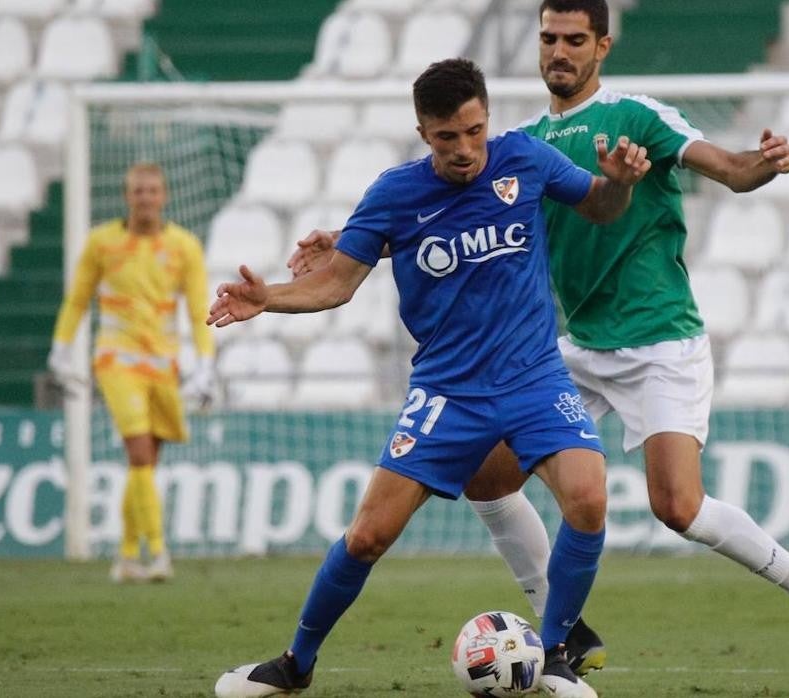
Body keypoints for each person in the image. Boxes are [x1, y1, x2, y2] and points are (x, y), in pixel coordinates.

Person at [287, 0, 789, 687]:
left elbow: (730, 170)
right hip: (575, 346)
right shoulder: (520, 144)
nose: (558, 51)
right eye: (549, 38)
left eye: (574, 39)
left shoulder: (637, 116)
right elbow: (452, 226)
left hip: (657, 338)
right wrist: (353, 243)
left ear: (603, 46)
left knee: (676, 506)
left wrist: (766, 162)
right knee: (486, 477)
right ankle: (563, 630)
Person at [210, 58, 650, 698]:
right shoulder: (394, 194)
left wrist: (621, 185)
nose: (466, 149)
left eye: (474, 131)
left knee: (588, 498)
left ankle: (554, 656)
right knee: (367, 536)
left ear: (487, 118)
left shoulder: (525, 159)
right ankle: (294, 664)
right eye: (448, 137)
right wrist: (268, 298)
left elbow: (603, 207)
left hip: (533, 378)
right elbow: (334, 283)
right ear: (424, 133)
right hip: (447, 392)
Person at [48, 162, 216, 584]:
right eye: (138, 191)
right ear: (127, 196)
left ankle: (125, 557)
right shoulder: (101, 243)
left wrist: (204, 364)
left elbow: (198, 312)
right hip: (116, 360)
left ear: (164, 196)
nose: (145, 198)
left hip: (163, 364)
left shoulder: (184, 247)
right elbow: (77, 299)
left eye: (152, 191)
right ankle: (158, 553)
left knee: (145, 461)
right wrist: (62, 347)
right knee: (139, 451)